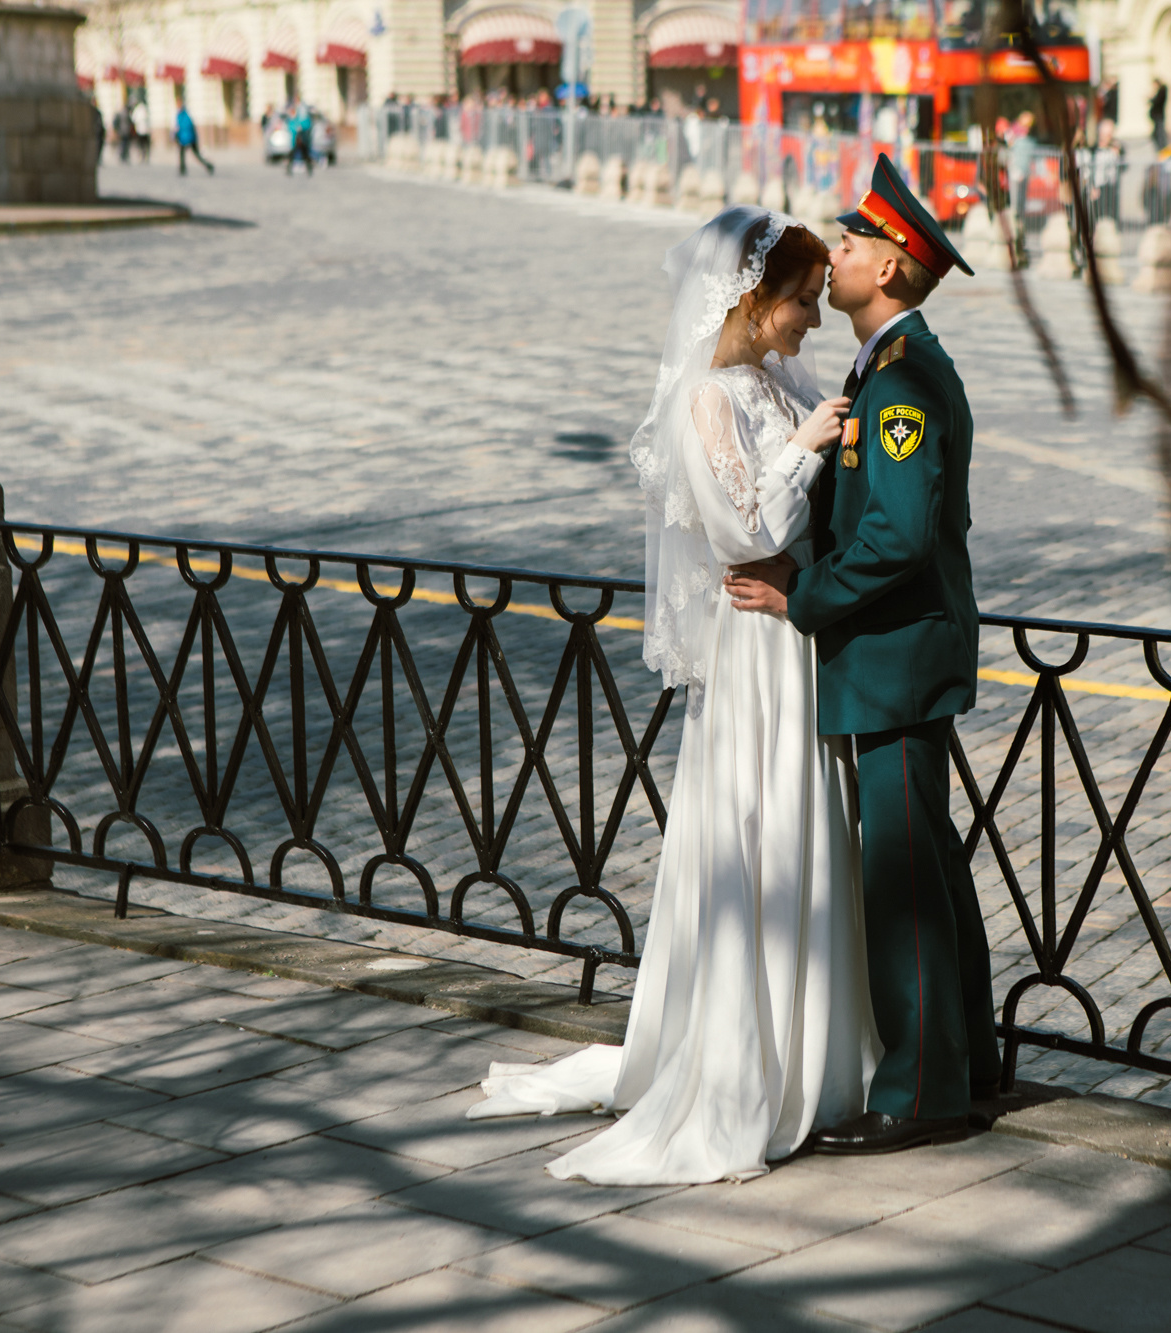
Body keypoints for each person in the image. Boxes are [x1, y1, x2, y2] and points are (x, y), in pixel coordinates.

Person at [463, 207, 874, 1184]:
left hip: (791, 636)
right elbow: (743, 536)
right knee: (757, 827)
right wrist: (809, 447)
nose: (813, 320)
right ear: (753, 300)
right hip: (754, 643)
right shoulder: (707, 400)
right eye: (801, 302)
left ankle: (814, 1053)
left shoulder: (771, 384)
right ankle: (745, 1061)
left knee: (801, 823)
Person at [728, 156, 998, 1155]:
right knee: (923, 862)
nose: (831, 255)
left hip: (891, 655)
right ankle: (967, 1057)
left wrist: (805, 600)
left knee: (900, 874)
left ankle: (921, 1089)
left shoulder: (903, 377)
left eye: (847, 244)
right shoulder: (885, 363)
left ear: (886, 264)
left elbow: (896, 533)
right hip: (897, 655)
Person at [174, 102, 214, 176]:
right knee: (186, 154)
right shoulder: (183, 115)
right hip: (189, 138)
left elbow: (183, 128)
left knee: (186, 154)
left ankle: (183, 169)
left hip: (187, 139)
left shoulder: (183, 116)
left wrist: (177, 135)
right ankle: (183, 169)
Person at [286, 101, 314, 175]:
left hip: (302, 140)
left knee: (305, 154)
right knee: (292, 155)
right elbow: (290, 128)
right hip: (294, 141)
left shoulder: (302, 118)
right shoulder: (292, 119)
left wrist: (301, 128)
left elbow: (307, 126)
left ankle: (308, 168)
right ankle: (289, 169)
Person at [128, 96, 152, 164]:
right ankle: (146, 156)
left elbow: (133, 119)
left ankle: (142, 156)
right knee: (146, 145)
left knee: (141, 144)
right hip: (146, 130)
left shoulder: (137, 110)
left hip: (140, 130)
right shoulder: (145, 109)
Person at [1148, 77, 1168, 152]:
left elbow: (1157, 101)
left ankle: (1162, 149)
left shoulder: (1162, 91)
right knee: (1156, 134)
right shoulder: (1160, 91)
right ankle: (1161, 149)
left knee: (1159, 134)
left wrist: (1151, 99)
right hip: (1156, 116)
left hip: (1158, 116)